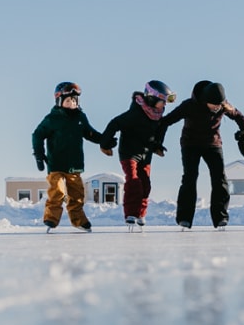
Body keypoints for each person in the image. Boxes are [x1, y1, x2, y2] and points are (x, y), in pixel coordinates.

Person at [159, 81, 244, 229]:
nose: (217, 107)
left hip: (213, 144)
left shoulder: (224, 105)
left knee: (220, 178)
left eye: (219, 105)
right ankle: (185, 218)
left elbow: (240, 117)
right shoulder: (189, 105)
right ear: (204, 101)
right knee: (190, 177)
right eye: (213, 105)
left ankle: (220, 217)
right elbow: (166, 121)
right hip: (190, 144)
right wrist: (158, 143)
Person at [101, 80, 175, 231]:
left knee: (145, 184)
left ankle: (141, 214)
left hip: (145, 154)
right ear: (151, 97)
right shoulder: (135, 113)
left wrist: (157, 146)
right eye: (162, 102)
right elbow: (114, 123)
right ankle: (130, 214)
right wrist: (105, 144)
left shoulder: (158, 115)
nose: (164, 106)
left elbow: (160, 130)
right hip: (129, 153)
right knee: (134, 181)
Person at [31, 82, 105, 233]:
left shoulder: (80, 118)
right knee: (57, 192)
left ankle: (78, 220)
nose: (71, 103)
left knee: (77, 195)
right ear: (59, 101)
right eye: (67, 100)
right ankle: (51, 219)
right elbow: (37, 135)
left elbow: (90, 133)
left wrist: (105, 140)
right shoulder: (52, 119)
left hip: (74, 164)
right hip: (56, 164)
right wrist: (39, 155)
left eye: (74, 100)